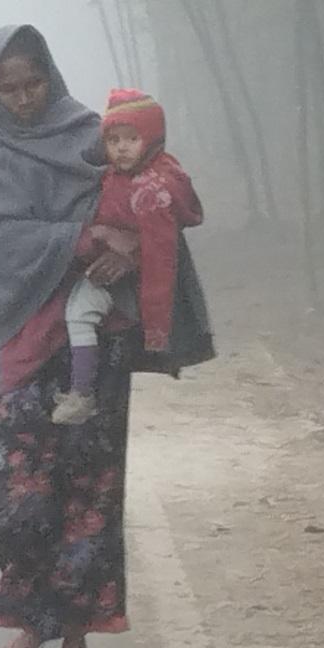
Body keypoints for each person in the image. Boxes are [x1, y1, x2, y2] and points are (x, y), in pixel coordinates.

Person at [0, 25, 214, 648]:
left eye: (32, 82)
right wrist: (84, 234)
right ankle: (27, 624)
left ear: (53, 76)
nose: (22, 99)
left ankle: (73, 643)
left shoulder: (91, 133)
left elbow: (150, 183)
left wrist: (128, 239)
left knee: (90, 490)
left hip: (96, 335)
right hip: (24, 335)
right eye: (7, 88)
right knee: (16, 493)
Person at [51, 89, 204, 425]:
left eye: (132, 138)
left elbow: (162, 260)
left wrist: (158, 331)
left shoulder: (152, 191)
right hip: (114, 265)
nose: (121, 148)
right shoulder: (116, 175)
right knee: (78, 311)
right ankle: (82, 390)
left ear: (150, 139)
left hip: (137, 277)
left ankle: (81, 393)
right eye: (113, 139)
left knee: (79, 313)